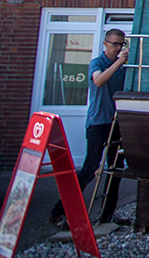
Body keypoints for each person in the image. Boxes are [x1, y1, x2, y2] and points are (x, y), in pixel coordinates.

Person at [50, 28, 129, 228]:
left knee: (116, 170)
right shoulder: (98, 63)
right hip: (97, 123)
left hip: (116, 123)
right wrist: (119, 62)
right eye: (115, 44)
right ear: (105, 44)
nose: (118, 48)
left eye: (122, 44)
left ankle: (106, 216)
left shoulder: (124, 67)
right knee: (90, 167)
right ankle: (59, 211)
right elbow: (99, 80)